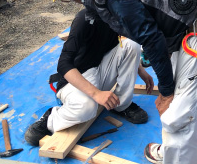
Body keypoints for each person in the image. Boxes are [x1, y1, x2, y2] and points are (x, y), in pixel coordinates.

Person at [39, 0, 197, 164]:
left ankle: (178, 158)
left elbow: (151, 38)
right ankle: (173, 150)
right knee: (177, 97)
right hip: (193, 9)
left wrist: (166, 92)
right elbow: (156, 6)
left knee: (177, 111)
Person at [24, 9, 153, 146]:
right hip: (76, 78)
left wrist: (140, 70)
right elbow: (63, 64)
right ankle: (51, 118)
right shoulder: (84, 19)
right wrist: (96, 94)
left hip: (99, 71)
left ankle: (121, 105)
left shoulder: (116, 14)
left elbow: (122, 43)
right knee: (87, 108)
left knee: (132, 45)